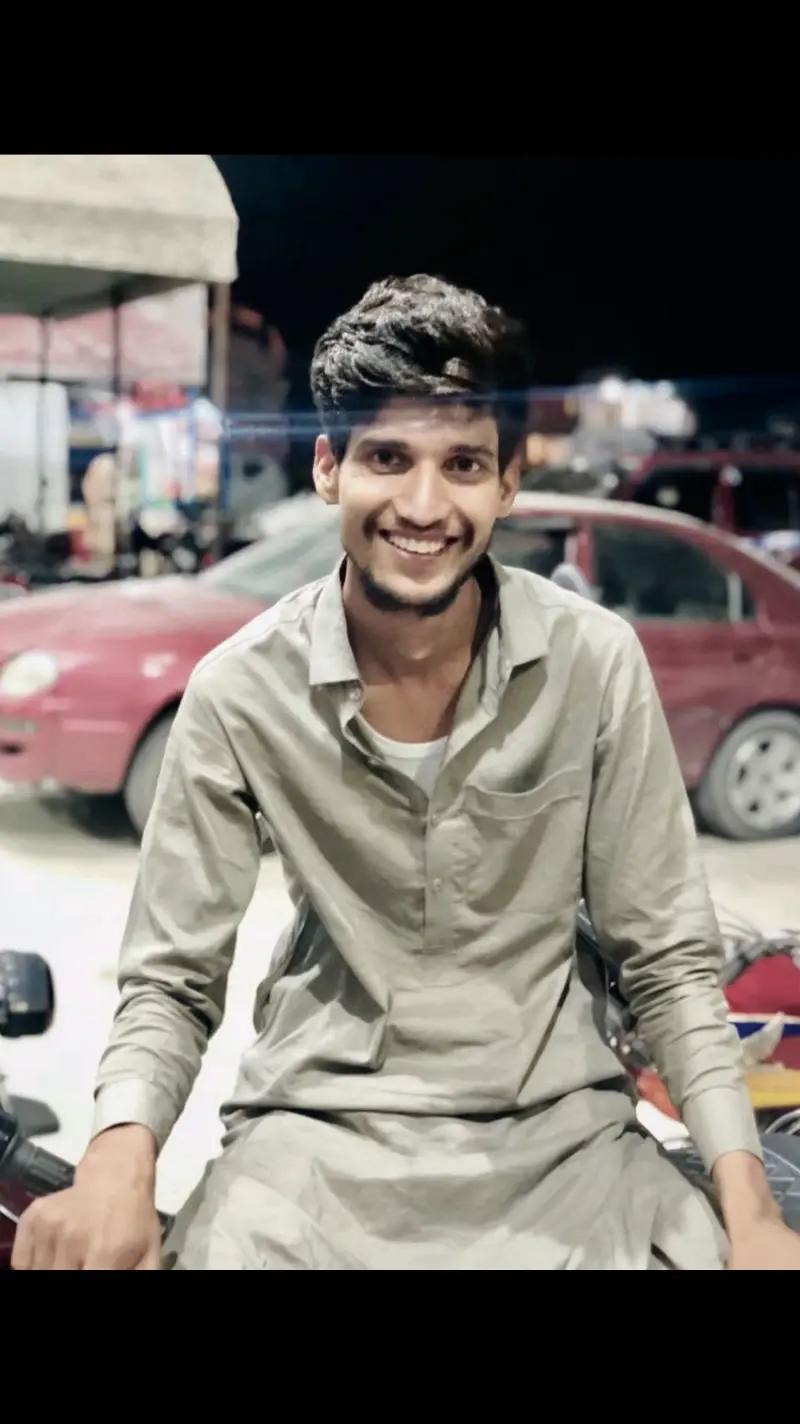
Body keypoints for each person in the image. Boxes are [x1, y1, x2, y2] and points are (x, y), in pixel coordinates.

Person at [13, 275, 800, 1270]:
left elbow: (667, 961)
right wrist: (114, 1168)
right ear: (328, 467)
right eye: (388, 457)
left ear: (506, 483)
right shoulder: (240, 689)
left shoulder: (593, 663)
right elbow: (172, 978)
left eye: (461, 463)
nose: (424, 507)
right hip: (311, 1140)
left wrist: (750, 1214)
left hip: (564, 1140)